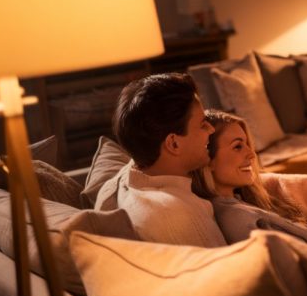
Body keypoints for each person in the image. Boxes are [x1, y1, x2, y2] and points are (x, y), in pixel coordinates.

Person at [192, 110, 307, 266]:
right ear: (207, 159)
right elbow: (298, 283)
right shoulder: (237, 220)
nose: (252, 154)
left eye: (248, 144)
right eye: (238, 146)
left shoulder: (247, 197)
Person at [95, 73, 226, 247]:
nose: (210, 129)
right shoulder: (182, 219)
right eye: (202, 124)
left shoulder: (124, 178)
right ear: (173, 143)